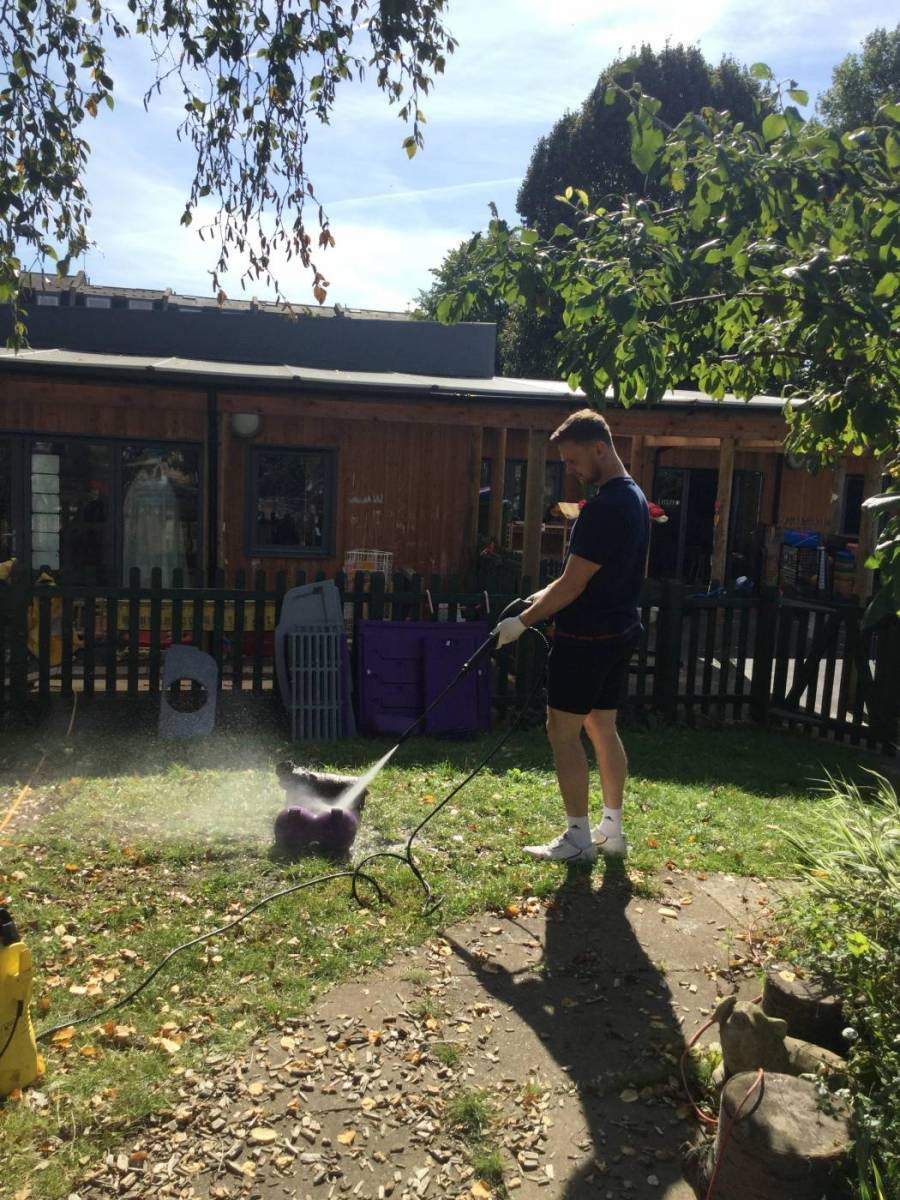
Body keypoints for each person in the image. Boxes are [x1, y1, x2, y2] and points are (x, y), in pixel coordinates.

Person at [493, 409, 650, 863]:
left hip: (586, 639)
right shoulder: (634, 497)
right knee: (602, 726)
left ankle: (578, 838)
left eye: (573, 460)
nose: (570, 470)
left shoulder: (603, 508)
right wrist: (535, 600)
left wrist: (522, 623)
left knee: (561, 732)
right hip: (619, 630)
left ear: (599, 448)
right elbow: (578, 576)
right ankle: (612, 831)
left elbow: (573, 584)